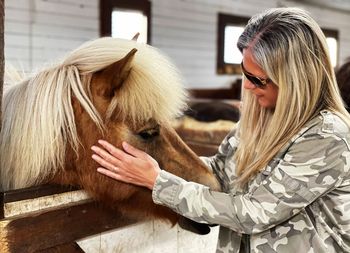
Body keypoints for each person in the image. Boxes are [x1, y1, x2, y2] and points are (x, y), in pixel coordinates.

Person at [91, 7, 350, 253]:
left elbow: (256, 213)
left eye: (256, 79)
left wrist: (158, 182)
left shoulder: (326, 137)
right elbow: (220, 173)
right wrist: (154, 164)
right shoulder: (261, 119)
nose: (247, 87)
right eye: (244, 73)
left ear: (295, 80)